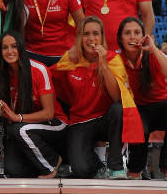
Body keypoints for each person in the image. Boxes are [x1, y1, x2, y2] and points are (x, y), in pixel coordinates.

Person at [51, 16, 144, 179]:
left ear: (102, 37)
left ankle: (115, 166)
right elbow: (55, 81)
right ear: (80, 37)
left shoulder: (111, 59)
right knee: (81, 170)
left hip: (105, 120)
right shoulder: (71, 59)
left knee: (118, 109)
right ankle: (99, 165)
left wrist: (103, 64)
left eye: (95, 34)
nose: (91, 39)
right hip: (80, 121)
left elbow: (117, 96)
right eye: (86, 34)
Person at [0, 31, 67, 178]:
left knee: (19, 130)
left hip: (55, 122)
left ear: (21, 48)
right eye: (5, 47)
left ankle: (52, 163)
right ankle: (39, 163)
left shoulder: (39, 69)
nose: (9, 51)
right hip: (24, 127)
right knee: (13, 168)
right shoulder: (3, 74)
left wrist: (18, 118)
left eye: (14, 46)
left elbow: (49, 113)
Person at [116, 17, 167, 179]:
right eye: (127, 33)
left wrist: (153, 49)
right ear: (120, 39)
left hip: (162, 106)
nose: (132, 37)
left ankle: (166, 168)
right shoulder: (117, 60)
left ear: (143, 36)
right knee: (138, 127)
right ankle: (135, 171)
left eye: (137, 32)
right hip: (139, 109)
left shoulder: (152, 54)